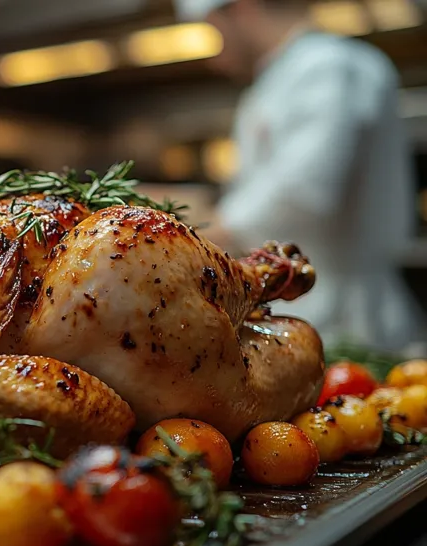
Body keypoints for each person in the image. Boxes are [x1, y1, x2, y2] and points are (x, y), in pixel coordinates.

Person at [175, 0, 421, 350]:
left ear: (243, 10)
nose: (216, 59)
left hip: (350, 317)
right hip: (300, 305)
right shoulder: (278, 80)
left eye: (214, 33)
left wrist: (199, 240)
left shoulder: (329, 65)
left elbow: (306, 189)